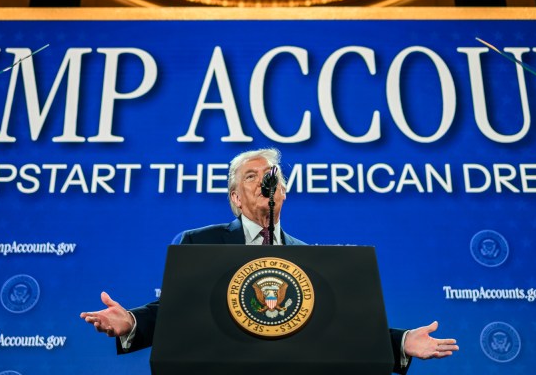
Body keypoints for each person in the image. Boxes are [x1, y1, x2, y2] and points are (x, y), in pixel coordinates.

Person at [81, 147, 458, 373]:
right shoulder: (199, 242)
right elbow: (176, 313)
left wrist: (401, 342)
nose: (264, 180)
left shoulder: (308, 259)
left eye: (271, 176)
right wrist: (131, 320)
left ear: (283, 192)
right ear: (234, 197)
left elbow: (336, 329)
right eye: (251, 176)